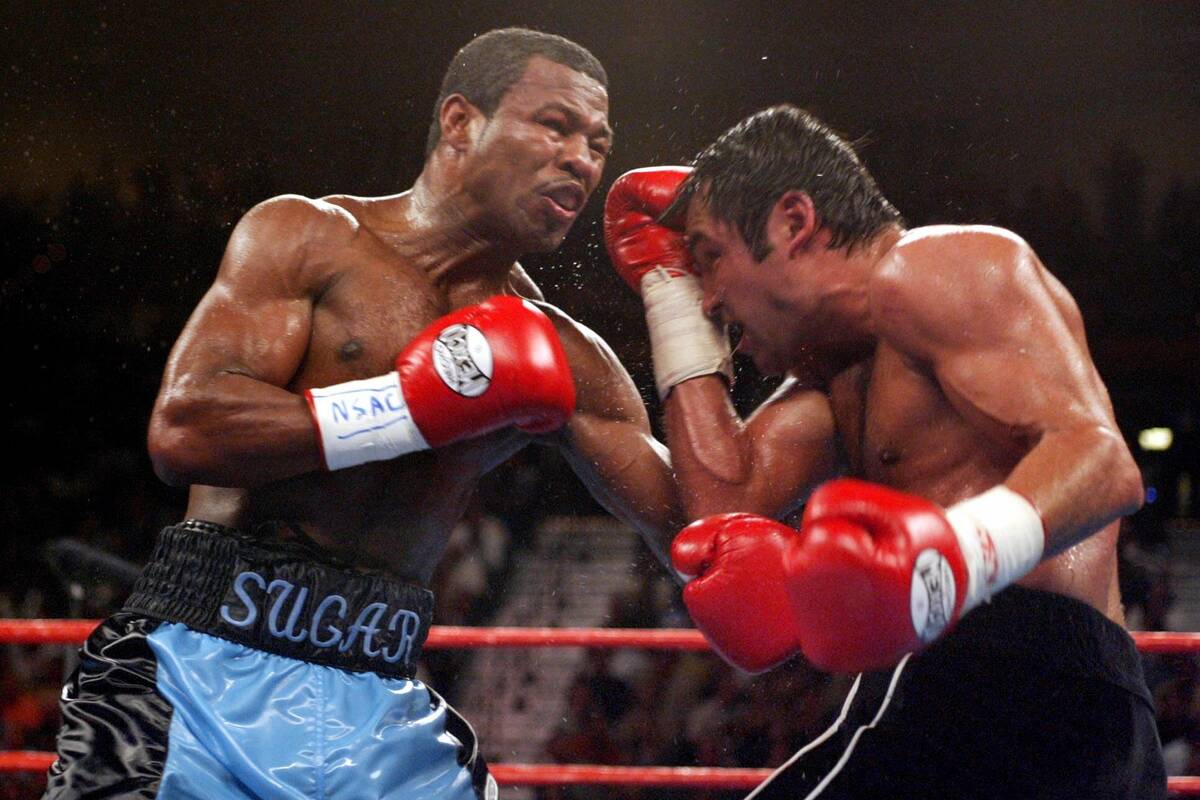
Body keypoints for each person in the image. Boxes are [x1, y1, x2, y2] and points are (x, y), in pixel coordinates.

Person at [44, 28, 683, 800]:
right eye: (555, 125)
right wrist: (406, 410)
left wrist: (680, 298)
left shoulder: (562, 350)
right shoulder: (309, 238)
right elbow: (185, 431)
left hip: (383, 705)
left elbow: (691, 530)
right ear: (459, 122)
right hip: (196, 670)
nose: (581, 157)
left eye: (598, 141)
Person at [603, 105, 1166, 798]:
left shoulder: (940, 266)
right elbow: (724, 505)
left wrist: (949, 559)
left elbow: (1104, 464)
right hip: (971, 696)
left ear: (793, 222)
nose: (710, 297)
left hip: (1029, 690)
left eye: (710, 259)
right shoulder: (840, 373)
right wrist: (672, 304)